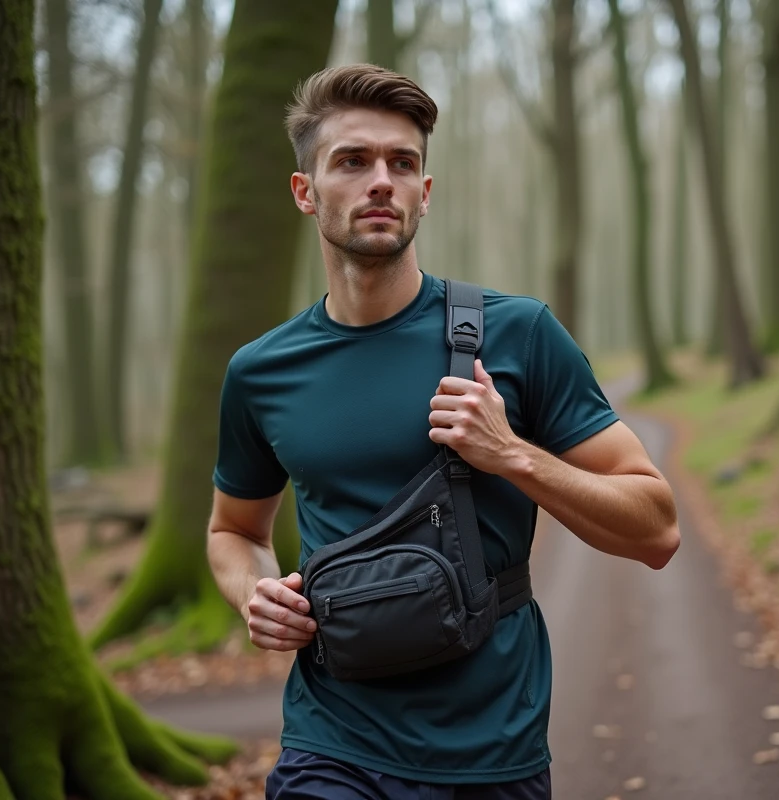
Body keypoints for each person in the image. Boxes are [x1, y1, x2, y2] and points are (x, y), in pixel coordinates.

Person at [207, 63, 681, 800]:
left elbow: (656, 529)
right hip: (332, 739)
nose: (381, 182)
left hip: (492, 748)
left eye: (403, 164)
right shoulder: (262, 371)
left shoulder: (518, 335)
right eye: (353, 161)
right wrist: (255, 592)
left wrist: (513, 454)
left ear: (424, 195)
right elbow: (232, 530)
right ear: (306, 192)